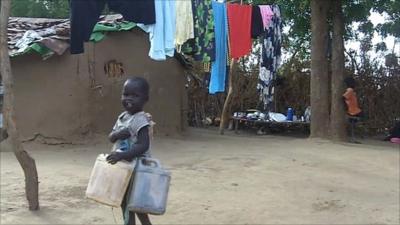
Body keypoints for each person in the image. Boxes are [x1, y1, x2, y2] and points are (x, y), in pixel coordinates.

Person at [106, 77, 153, 225]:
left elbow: (143, 145)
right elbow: (111, 137)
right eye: (126, 94)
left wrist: (122, 155)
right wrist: (118, 134)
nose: (129, 99)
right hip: (123, 167)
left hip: (137, 169)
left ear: (145, 99)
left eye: (135, 95)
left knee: (135, 202)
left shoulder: (141, 120)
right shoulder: (122, 117)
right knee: (125, 201)